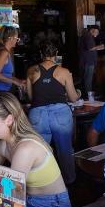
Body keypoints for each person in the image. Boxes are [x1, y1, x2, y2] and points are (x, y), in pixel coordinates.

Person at [26, 42, 81, 185]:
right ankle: (69, 182)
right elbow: (73, 98)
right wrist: (79, 93)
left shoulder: (31, 71)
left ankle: (44, 183)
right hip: (60, 113)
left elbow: (31, 97)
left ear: (41, 54)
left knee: (40, 152)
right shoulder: (64, 72)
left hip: (37, 114)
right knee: (65, 150)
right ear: (56, 55)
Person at [0, 26, 27, 94]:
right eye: (16, 38)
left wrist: (19, 81)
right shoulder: (4, 52)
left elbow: (6, 74)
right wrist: (15, 82)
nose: (17, 41)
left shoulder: (2, 50)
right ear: (10, 38)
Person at [79, 25, 105, 96]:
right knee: (88, 79)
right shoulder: (88, 36)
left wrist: (97, 48)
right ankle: (89, 96)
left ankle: (87, 94)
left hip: (87, 61)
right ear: (93, 30)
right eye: (97, 31)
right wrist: (100, 46)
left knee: (87, 78)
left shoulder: (87, 35)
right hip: (88, 61)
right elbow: (90, 48)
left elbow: (90, 48)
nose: (98, 33)